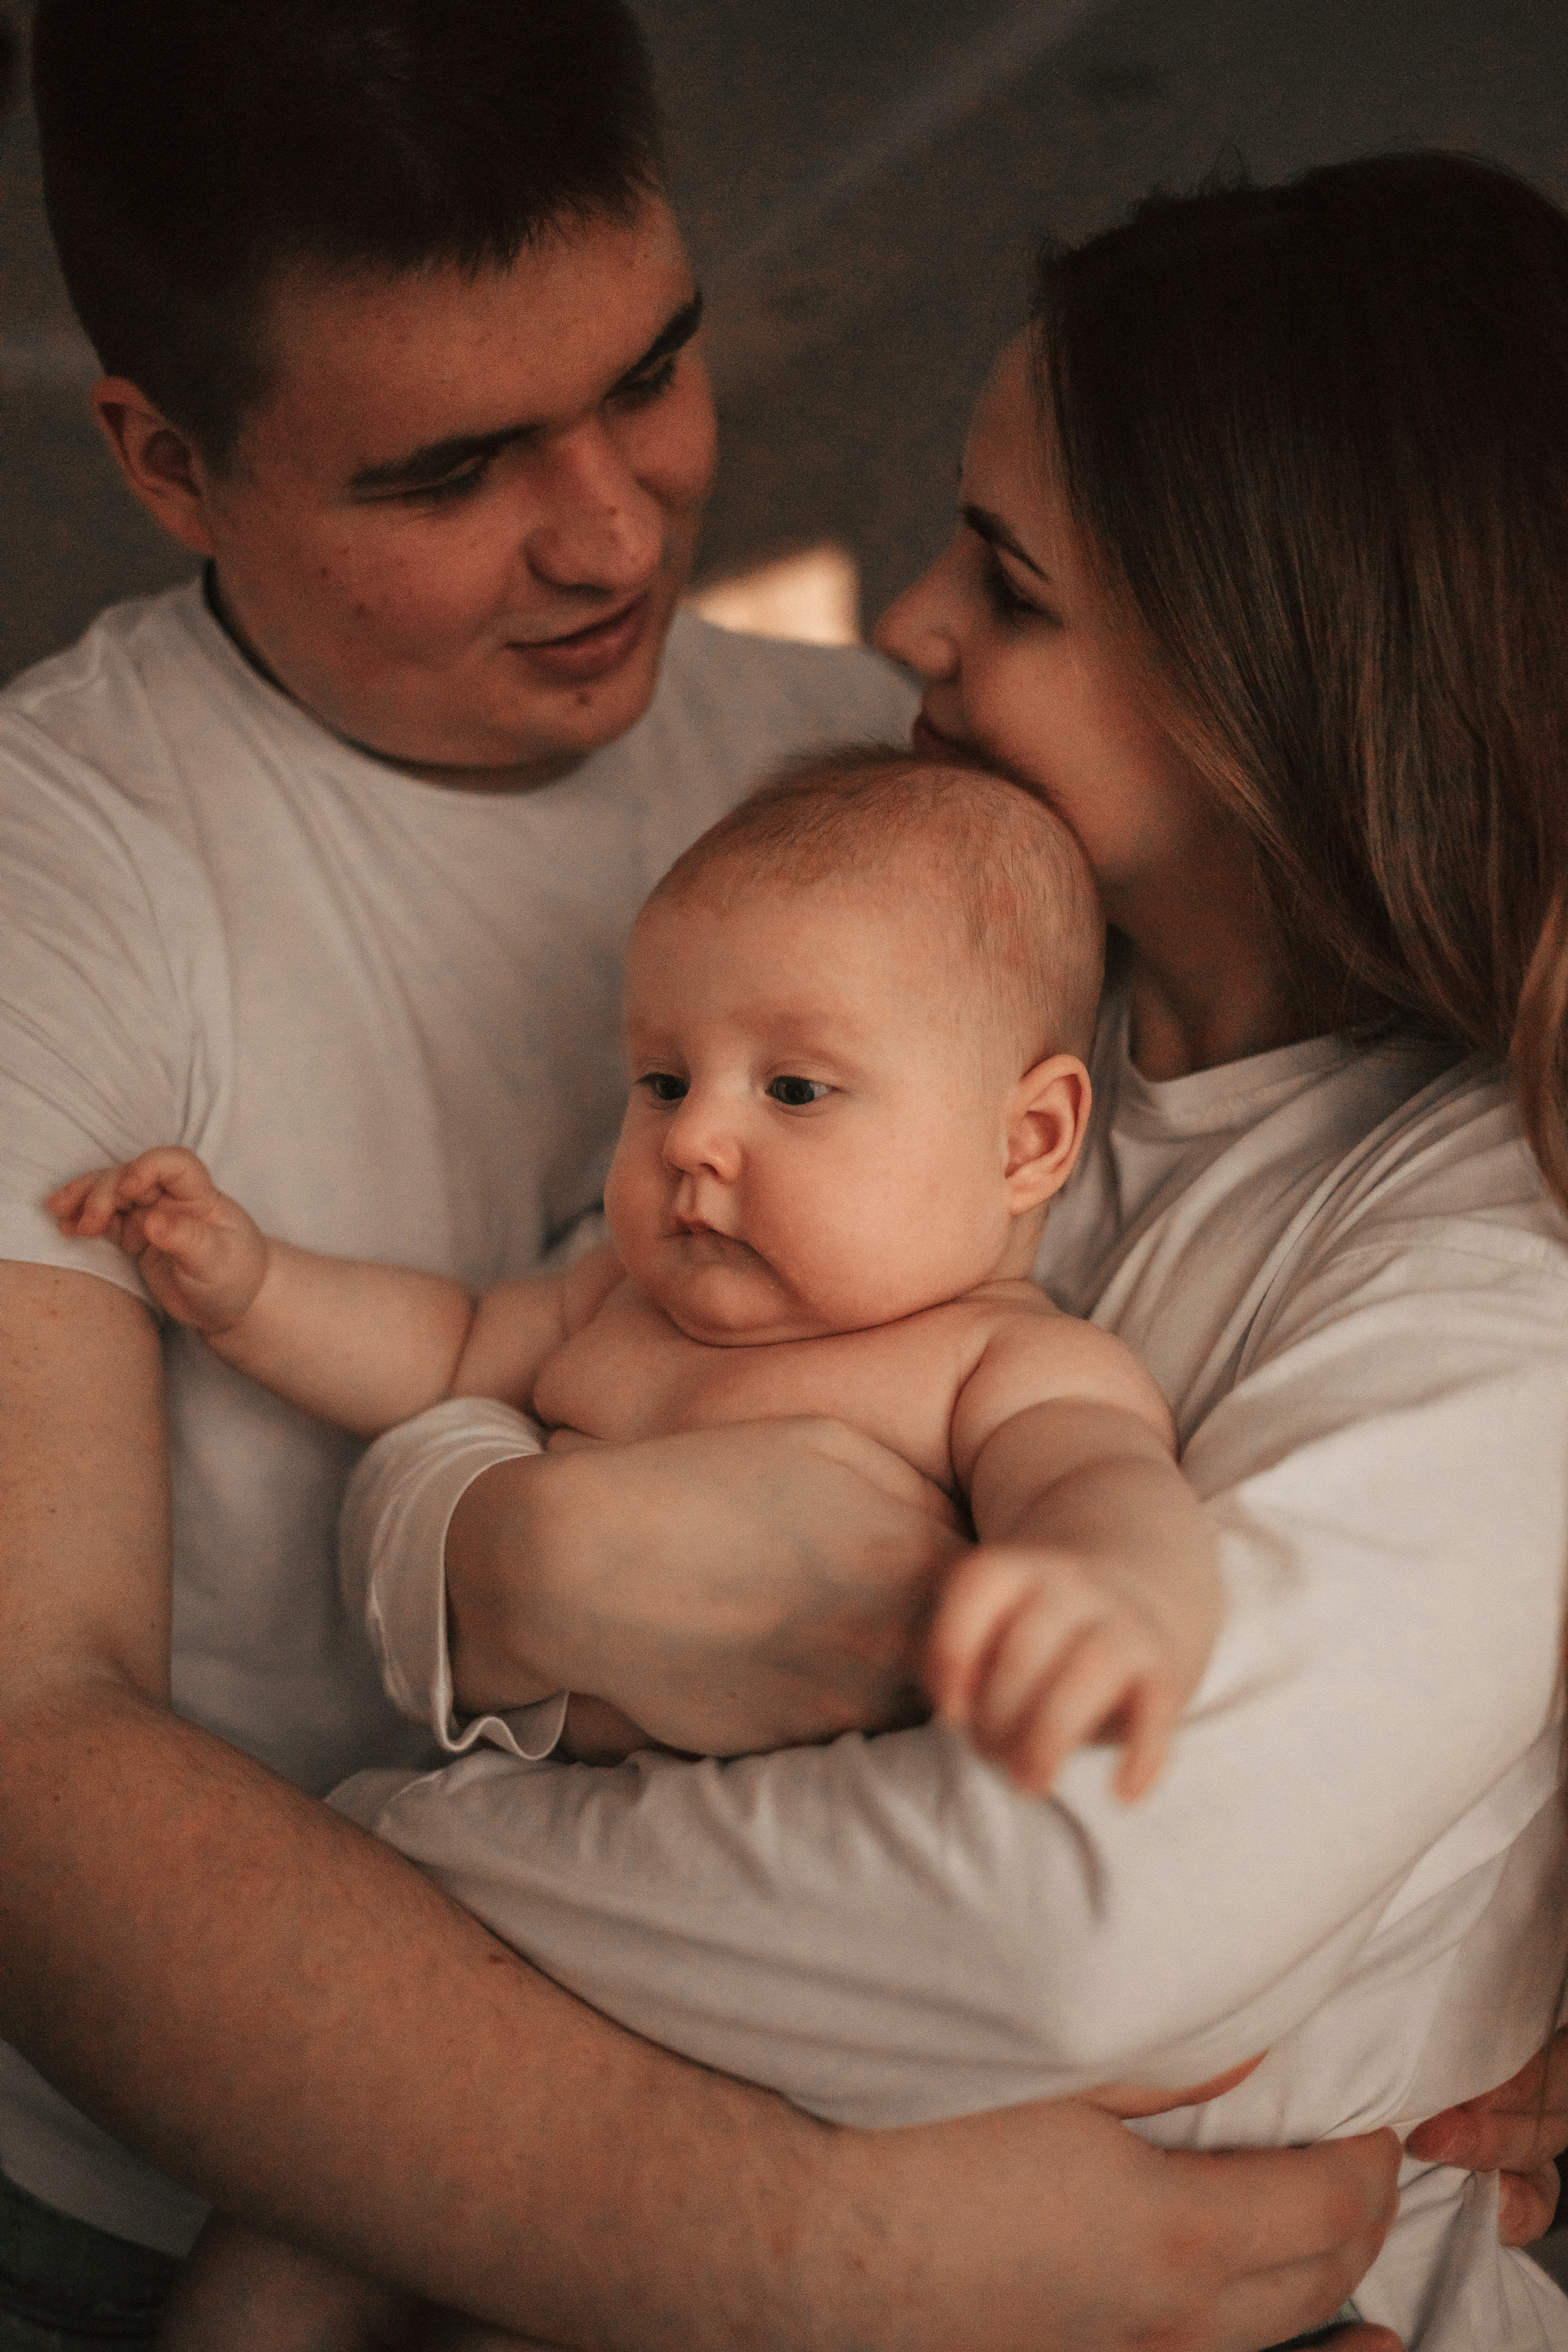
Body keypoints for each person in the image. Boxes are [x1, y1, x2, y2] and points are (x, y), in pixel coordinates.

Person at [0, 2, 1433, 2346]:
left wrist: (1465, 1958)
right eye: (448, 471)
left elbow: (1234, 1279)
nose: (611, 528)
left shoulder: (899, 787)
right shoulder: (52, 873)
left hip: (792, 1994)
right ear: (166, 460)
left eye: (651, 372)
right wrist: (815, 2252)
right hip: (200, 2171)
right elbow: (28, 1763)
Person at [302, 149, 1568, 2352]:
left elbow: (1067, 1937)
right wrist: (516, 1559)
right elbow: (538, 1352)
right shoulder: (906, 995)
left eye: (1011, 581)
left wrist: (367, 1887)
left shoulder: (1493, 1252)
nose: (906, 621)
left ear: (1272, 681)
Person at [52, 750, 1223, 1814]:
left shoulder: (1000, 1364)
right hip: (502, 1846)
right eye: (663, 1081)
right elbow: (439, 1349)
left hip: (779, 1866)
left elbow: (1099, 1487)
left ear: (1026, 1143)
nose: (690, 1139)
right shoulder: (617, 1300)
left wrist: (1114, 1596)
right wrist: (251, 1287)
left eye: (795, 1091)